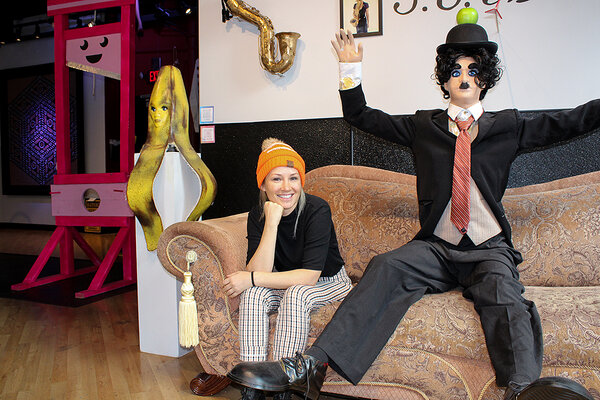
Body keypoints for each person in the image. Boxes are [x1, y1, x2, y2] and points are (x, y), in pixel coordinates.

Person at [226, 23, 598, 400]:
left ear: (484, 79)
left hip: (487, 248)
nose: (464, 77)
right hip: (436, 247)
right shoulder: (424, 127)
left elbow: (571, 122)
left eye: (473, 70)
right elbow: (361, 116)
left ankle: (520, 389)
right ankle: (309, 367)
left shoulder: (508, 126)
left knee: (504, 293)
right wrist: (349, 70)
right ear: (445, 80)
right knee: (386, 265)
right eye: (455, 70)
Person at [222, 138, 353, 400]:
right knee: (253, 294)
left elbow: (309, 277)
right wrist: (271, 223)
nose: (286, 187)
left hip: (328, 281)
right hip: (283, 280)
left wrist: (251, 278)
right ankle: (253, 387)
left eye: (293, 178)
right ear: (263, 184)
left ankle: (282, 387)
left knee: (296, 294)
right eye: (276, 179)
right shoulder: (258, 213)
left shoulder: (317, 209)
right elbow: (259, 270)